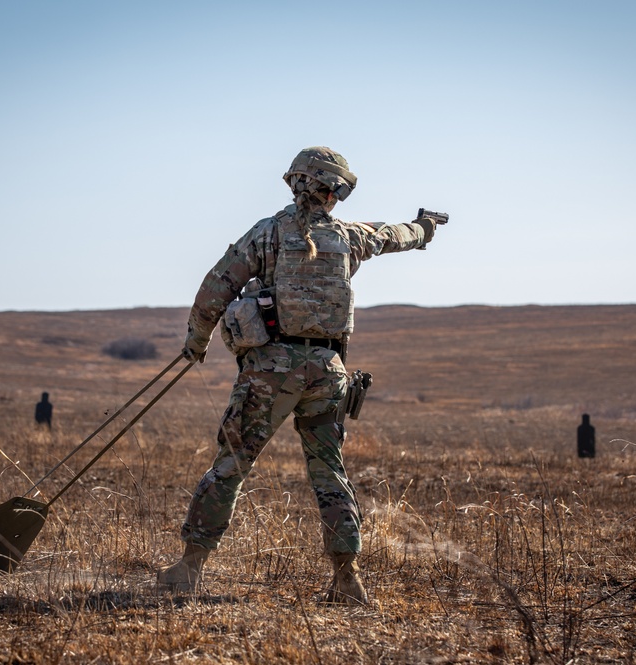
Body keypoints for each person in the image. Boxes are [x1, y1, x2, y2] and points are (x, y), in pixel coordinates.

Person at [157, 146, 439, 604]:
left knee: (230, 466)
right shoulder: (351, 237)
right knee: (330, 473)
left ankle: (189, 569)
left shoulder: (267, 234)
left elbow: (217, 285)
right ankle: (347, 581)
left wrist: (196, 340)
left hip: (270, 373)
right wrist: (425, 228)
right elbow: (396, 234)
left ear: (295, 183)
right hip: (329, 373)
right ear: (336, 192)